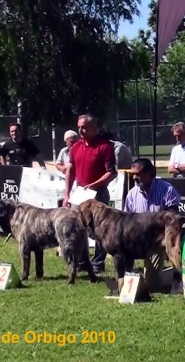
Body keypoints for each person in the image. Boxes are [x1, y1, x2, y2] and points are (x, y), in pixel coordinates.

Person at [63, 114, 117, 274]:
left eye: (84, 127)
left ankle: (98, 263)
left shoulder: (104, 146)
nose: (80, 130)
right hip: (79, 194)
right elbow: (70, 171)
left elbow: (111, 172)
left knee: (100, 230)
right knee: (77, 229)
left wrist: (94, 184)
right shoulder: (76, 147)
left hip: (98, 194)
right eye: (79, 127)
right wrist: (66, 194)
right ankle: (80, 261)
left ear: (94, 128)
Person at [124, 158, 182, 292]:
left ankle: (175, 276)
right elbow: (126, 221)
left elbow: (173, 217)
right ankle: (127, 278)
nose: (134, 177)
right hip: (139, 239)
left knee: (152, 286)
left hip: (160, 238)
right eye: (133, 174)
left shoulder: (166, 189)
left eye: (138, 174)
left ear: (149, 173)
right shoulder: (131, 195)